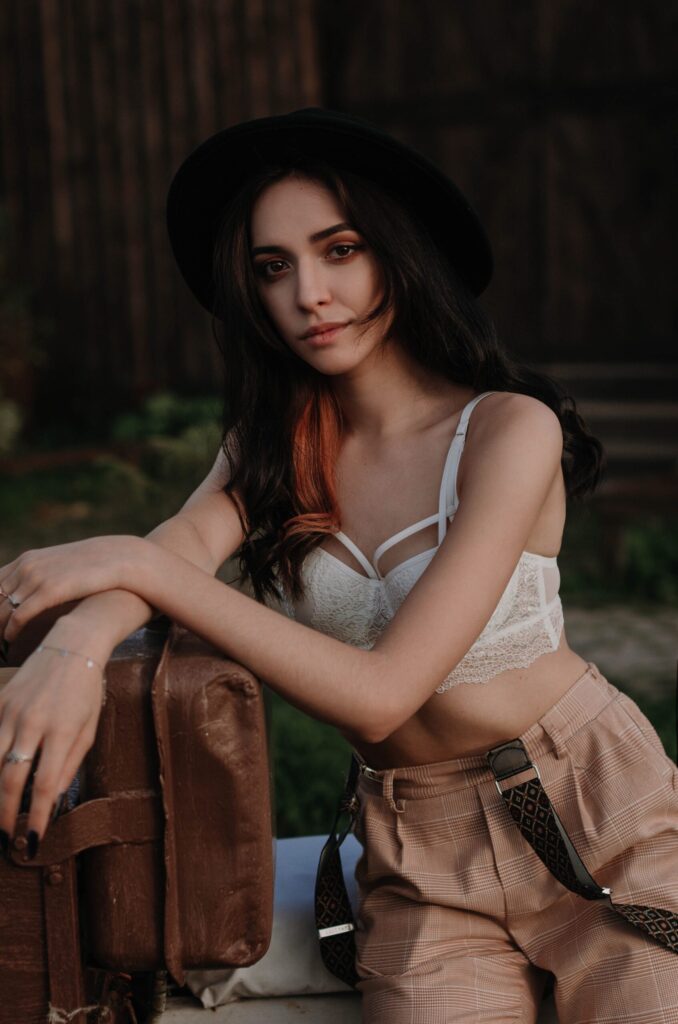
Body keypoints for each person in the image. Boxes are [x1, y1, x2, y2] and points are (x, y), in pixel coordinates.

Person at [0, 109, 676, 1023]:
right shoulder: (272, 451)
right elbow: (175, 552)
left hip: (594, 813)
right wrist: (76, 644)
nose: (308, 294)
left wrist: (133, 563)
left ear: (398, 256)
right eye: (272, 267)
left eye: (340, 250)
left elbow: (380, 694)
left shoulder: (508, 429)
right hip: (418, 859)